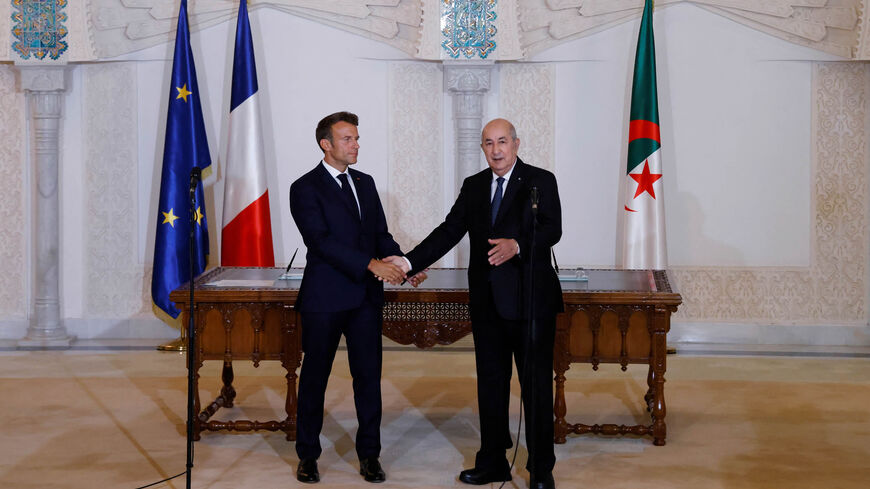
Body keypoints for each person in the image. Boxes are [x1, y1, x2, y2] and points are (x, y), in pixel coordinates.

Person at [386, 118, 563, 489]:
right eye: (488, 143)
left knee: (535, 388)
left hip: (531, 301)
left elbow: (552, 228)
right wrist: (408, 262)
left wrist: (517, 244)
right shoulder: (475, 185)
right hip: (487, 303)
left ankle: (541, 469)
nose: (496, 150)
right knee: (491, 384)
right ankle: (493, 461)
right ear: (482, 148)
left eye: (502, 142)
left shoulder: (539, 180)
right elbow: (449, 230)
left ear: (516, 143)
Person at [289, 111, 423, 484]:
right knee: (315, 378)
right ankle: (308, 456)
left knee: (368, 378)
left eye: (357, 139)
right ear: (326, 144)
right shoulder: (304, 187)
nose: (356, 145)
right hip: (325, 297)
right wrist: (371, 265)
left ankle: (369, 455)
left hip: (365, 299)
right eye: (347, 139)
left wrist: (402, 264)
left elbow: (379, 233)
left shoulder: (365, 183)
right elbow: (320, 242)